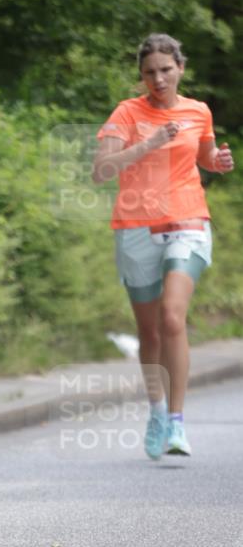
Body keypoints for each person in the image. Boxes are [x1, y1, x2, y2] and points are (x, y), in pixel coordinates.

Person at [93, 33, 234, 460]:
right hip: (136, 226)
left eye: (166, 70)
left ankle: (176, 421)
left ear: (181, 69)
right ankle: (156, 410)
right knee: (150, 330)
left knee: (173, 316)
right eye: (150, 72)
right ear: (141, 76)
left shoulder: (198, 111)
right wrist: (150, 142)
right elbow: (102, 170)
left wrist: (217, 162)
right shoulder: (127, 113)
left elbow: (204, 155)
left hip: (188, 220)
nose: (158, 78)